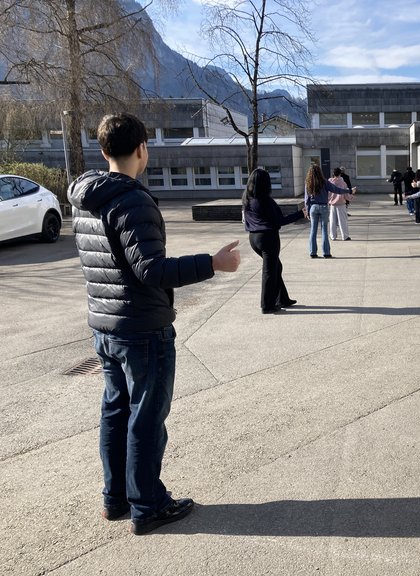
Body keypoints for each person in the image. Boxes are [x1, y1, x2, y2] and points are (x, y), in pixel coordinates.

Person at [68, 112, 241, 535]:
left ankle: (117, 498)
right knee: (146, 417)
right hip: (141, 328)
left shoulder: (86, 197)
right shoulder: (131, 199)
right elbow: (151, 269)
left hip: (105, 325)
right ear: (142, 148)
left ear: (104, 150)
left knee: (116, 412)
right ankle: (147, 505)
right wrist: (213, 263)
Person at [242, 168, 304, 314]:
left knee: (276, 267)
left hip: (254, 238)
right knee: (269, 271)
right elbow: (279, 221)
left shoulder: (247, 198)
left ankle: (282, 298)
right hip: (268, 238)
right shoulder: (265, 201)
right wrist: (300, 214)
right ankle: (267, 305)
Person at [304, 164, 355, 258]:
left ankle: (313, 252)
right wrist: (349, 191)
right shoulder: (324, 182)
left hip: (313, 207)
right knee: (324, 231)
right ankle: (326, 253)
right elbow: (337, 190)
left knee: (313, 231)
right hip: (323, 207)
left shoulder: (308, 183)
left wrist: (307, 211)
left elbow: (306, 199)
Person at [328, 167, 355, 241]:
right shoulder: (343, 183)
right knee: (342, 221)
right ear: (340, 174)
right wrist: (352, 195)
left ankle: (332, 236)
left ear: (333, 173)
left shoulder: (329, 182)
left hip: (332, 204)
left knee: (332, 221)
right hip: (341, 204)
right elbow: (346, 195)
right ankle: (345, 236)